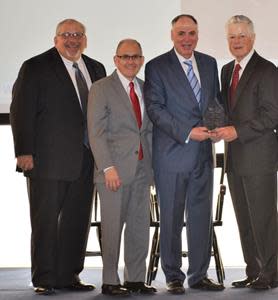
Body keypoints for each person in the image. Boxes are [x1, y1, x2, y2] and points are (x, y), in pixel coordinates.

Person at [10, 19, 106, 295]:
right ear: (56, 39)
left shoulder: (96, 68)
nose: (73, 40)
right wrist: (23, 152)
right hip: (47, 161)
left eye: (78, 35)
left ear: (85, 40)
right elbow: (20, 110)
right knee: (46, 222)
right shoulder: (35, 67)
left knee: (78, 221)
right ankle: (44, 278)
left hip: (87, 160)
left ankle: (69, 276)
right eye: (67, 35)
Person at [144, 14, 224, 293]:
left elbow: (215, 102)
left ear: (198, 35)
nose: (187, 39)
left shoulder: (210, 63)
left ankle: (199, 275)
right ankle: (173, 275)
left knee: (201, 218)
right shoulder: (156, 67)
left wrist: (218, 125)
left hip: (204, 154)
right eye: (181, 34)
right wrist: (189, 132)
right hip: (172, 155)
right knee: (172, 218)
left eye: (191, 33)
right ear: (172, 36)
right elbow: (155, 110)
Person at [87, 39, 156, 296]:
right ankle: (110, 281)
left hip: (141, 170)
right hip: (113, 172)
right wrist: (107, 168)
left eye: (135, 56)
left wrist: (153, 170)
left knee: (139, 227)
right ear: (115, 60)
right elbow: (96, 132)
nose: (131, 61)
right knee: (113, 227)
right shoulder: (101, 88)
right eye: (125, 56)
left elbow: (147, 131)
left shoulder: (145, 87)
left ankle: (136, 279)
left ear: (142, 60)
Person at [214, 15, 278, 290]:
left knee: (264, 218)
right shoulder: (227, 70)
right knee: (244, 219)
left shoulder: (267, 70)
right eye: (232, 37)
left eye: (241, 36)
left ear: (251, 38)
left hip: (259, 158)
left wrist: (238, 131)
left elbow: (272, 114)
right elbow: (225, 110)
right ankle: (254, 270)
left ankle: (272, 273)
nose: (236, 41)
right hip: (235, 159)